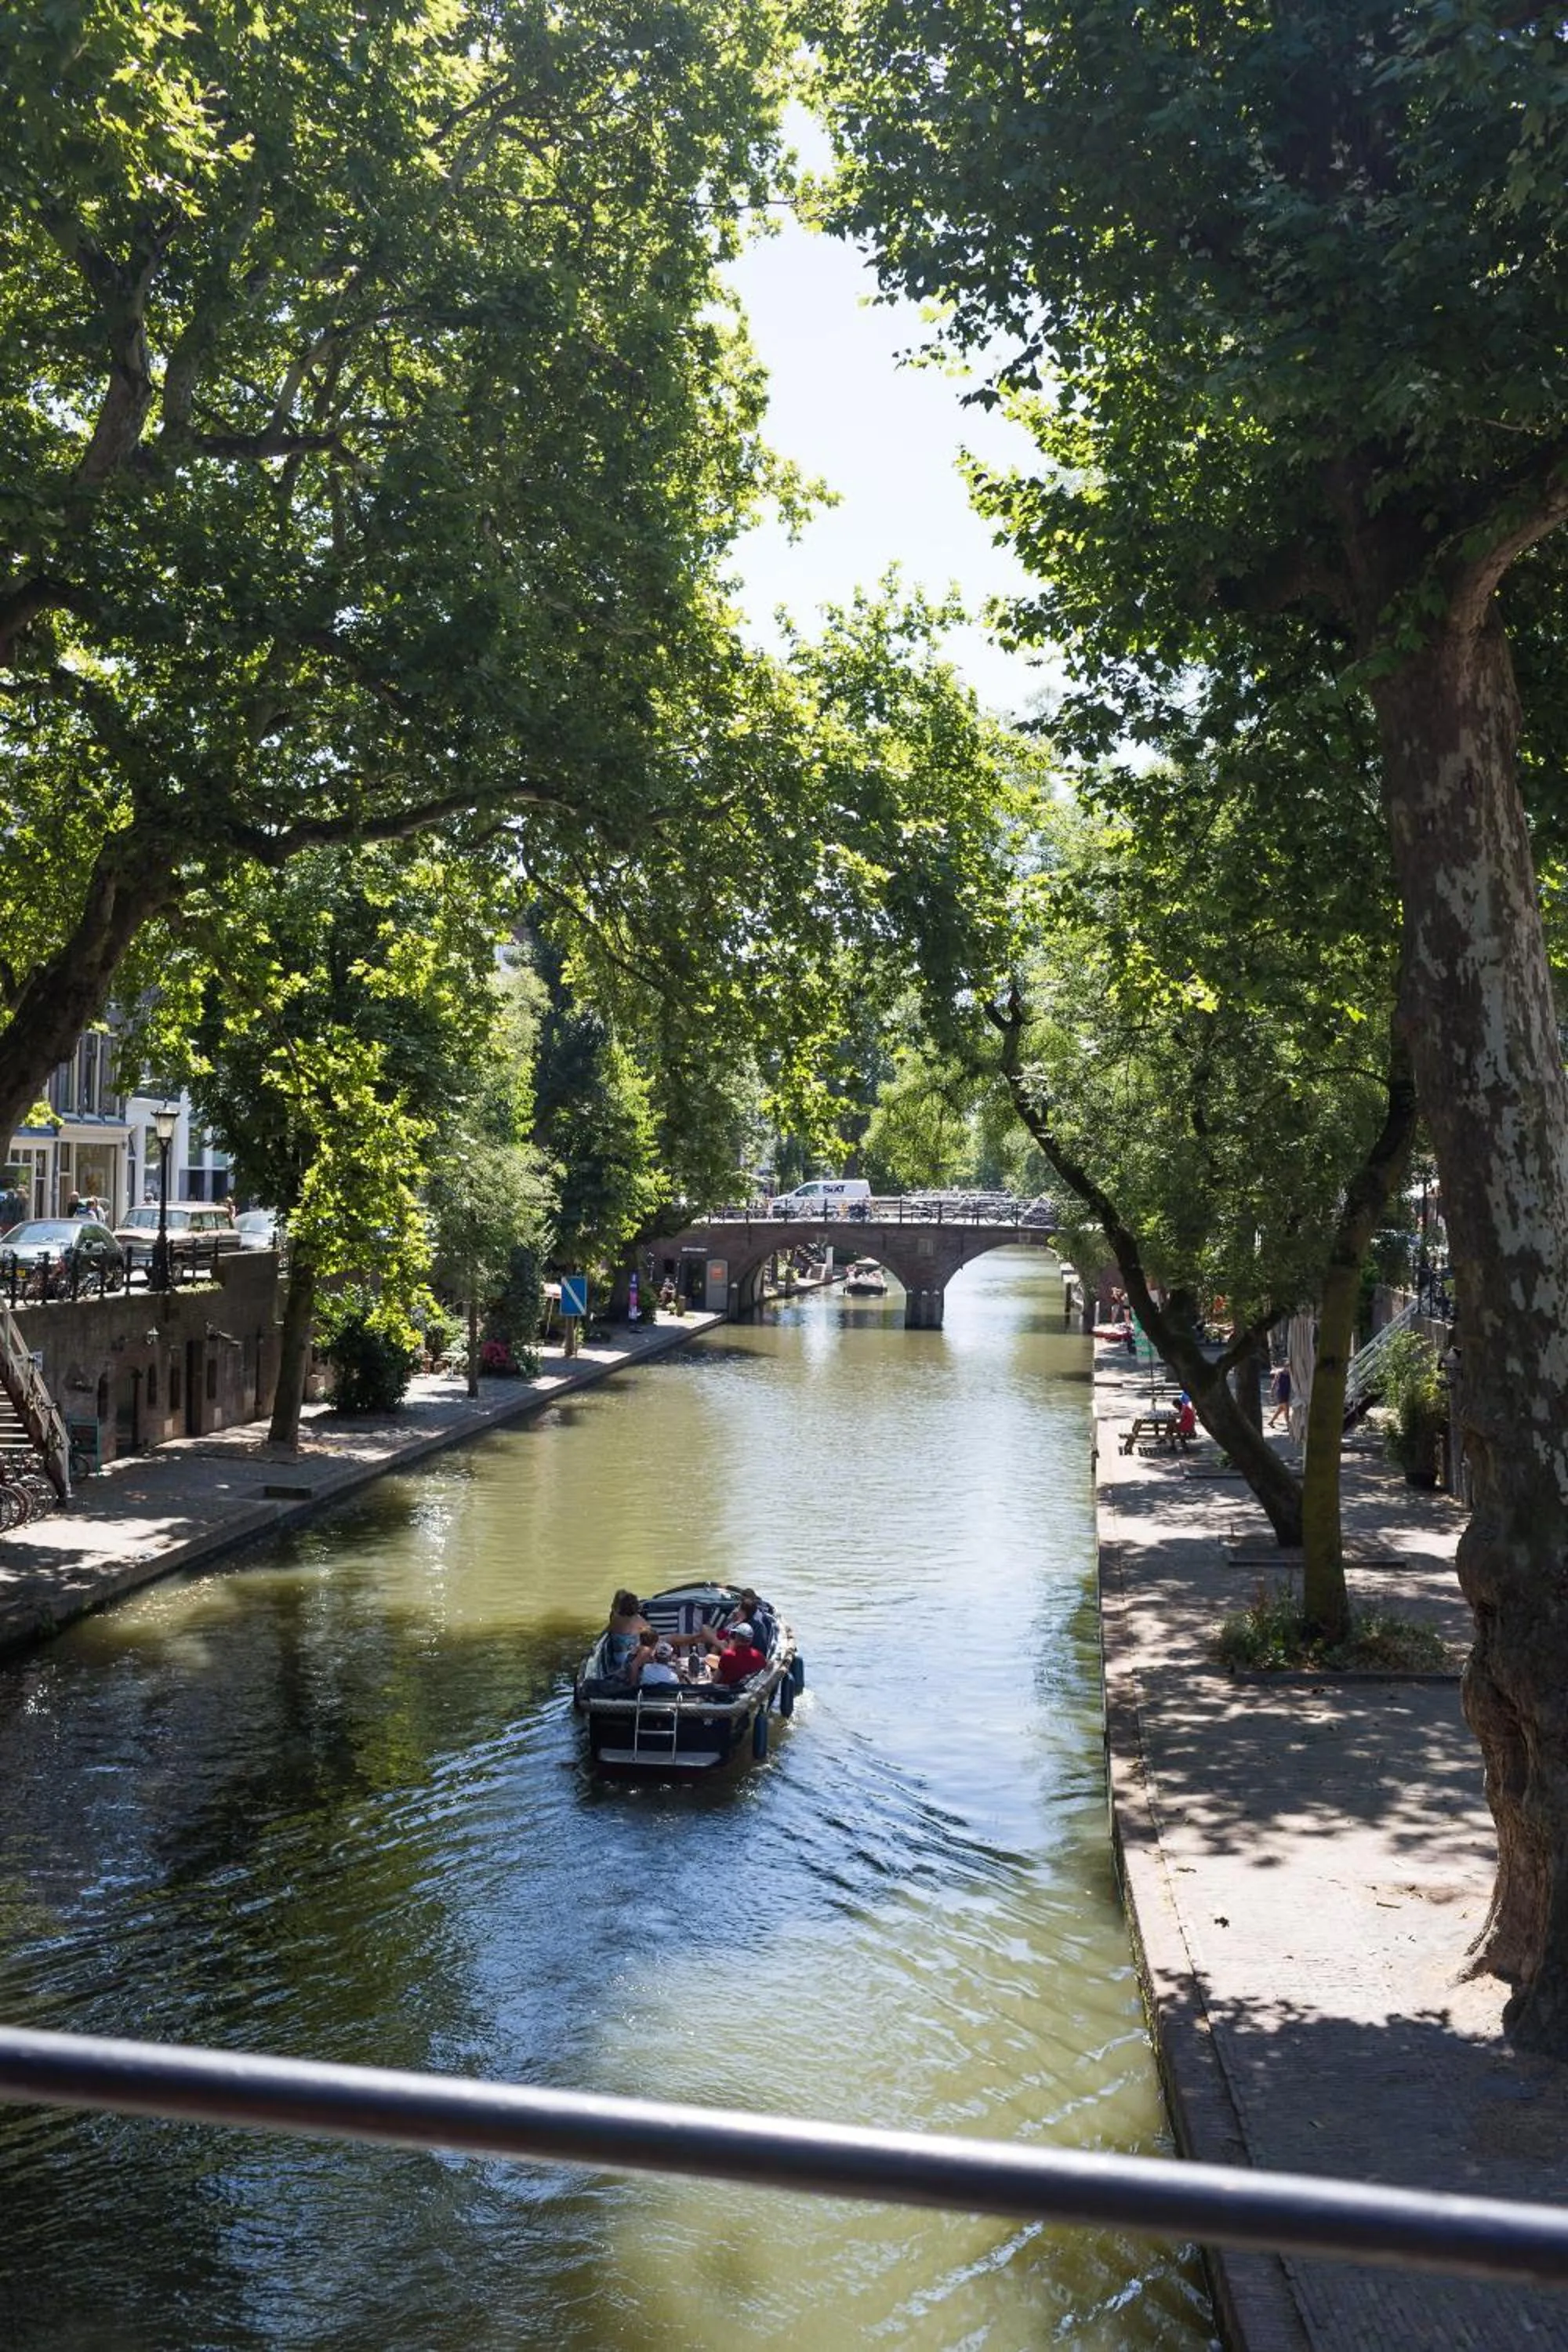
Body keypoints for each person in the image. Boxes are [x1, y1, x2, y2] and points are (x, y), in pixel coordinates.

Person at [600, 1589, 652, 1682]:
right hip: (631, 1657)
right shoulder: (638, 1620)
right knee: (659, 1643)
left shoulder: (615, 1618)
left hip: (618, 1657)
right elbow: (650, 1632)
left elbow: (609, 1629)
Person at [1268, 1361, 1291, 1428]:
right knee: (1286, 1409)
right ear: (1285, 1367)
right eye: (1288, 1367)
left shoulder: (1290, 1375)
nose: (1289, 1369)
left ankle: (1271, 1422)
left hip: (1287, 1393)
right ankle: (1289, 1425)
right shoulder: (1280, 1374)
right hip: (1281, 1392)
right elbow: (1275, 1382)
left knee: (1280, 1409)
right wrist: (1272, 1391)